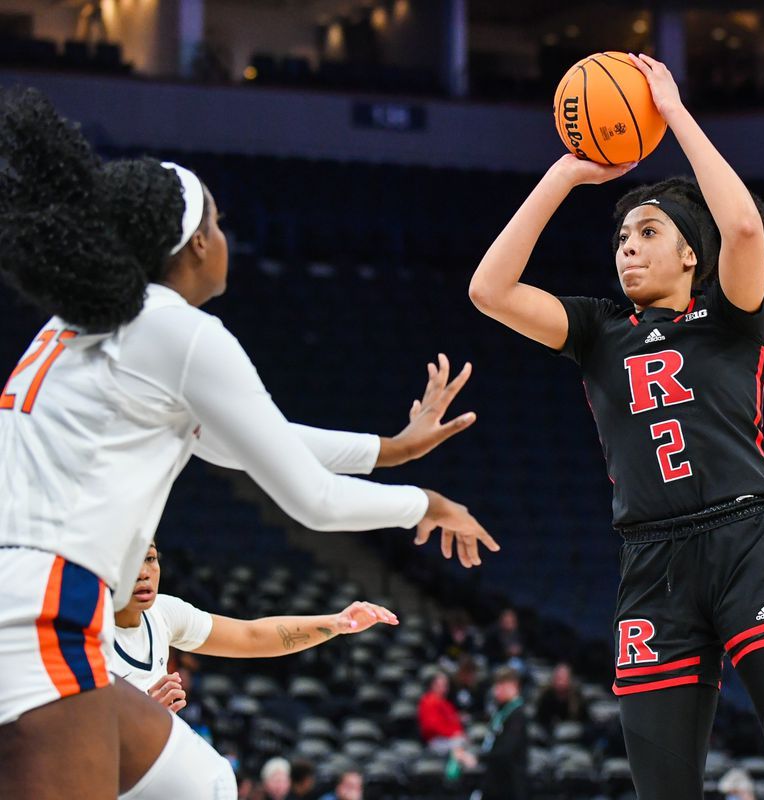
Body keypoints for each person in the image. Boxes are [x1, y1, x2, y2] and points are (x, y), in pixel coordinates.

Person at [0, 88, 495, 799]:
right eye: (221, 222)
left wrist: (390, 450)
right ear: (197, 242)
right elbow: (312, 500)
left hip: (27, 602)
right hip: (42, 611)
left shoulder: (80, 324)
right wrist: (426, 502)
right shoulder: (176, 330)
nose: (226, 237)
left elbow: (252, 442)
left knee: (200, 779)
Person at [469, 53, 764, 800]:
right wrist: (566, 174)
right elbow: (489, 290)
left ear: (689, 253)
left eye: (646, 234)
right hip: (651, 566)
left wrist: (672, 113)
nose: (627, 250)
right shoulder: (597, 329)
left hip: (749, 545)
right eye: (620, 240)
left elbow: (741, 225)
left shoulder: (731, 317)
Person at [113, 542, 398, 708]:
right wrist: (143, 718)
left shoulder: (164, 613)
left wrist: (336, 623)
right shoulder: (80, 633)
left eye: (150, 558)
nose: (143, 573)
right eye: (130, 562)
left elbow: (251, 636)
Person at [475, 667, 529, 800]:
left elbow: (506, 750)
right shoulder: (502, 711)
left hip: (510, 785)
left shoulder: (518, 715)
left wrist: (478, 758)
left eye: (501, 685)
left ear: (513, 685)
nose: (496, 690)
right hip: (496, 781)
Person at [418, 671, 476, 767]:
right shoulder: (428, 701)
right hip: (437, 741)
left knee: (466, 744)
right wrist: (453, 734)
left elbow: (454, 723)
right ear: (433, 685)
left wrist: (459, 733)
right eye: (440, 685)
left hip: (450, 740)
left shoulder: (445, 703)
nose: (444, 688)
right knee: (461, 748)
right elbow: (431, 726)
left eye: (445, 685)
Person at [535, 662, 591, 731]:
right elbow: (540, 719)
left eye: (563, 677)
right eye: (558, 678)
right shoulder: (546, 696)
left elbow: (585, 720)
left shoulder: (577, 697)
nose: (560, 681)